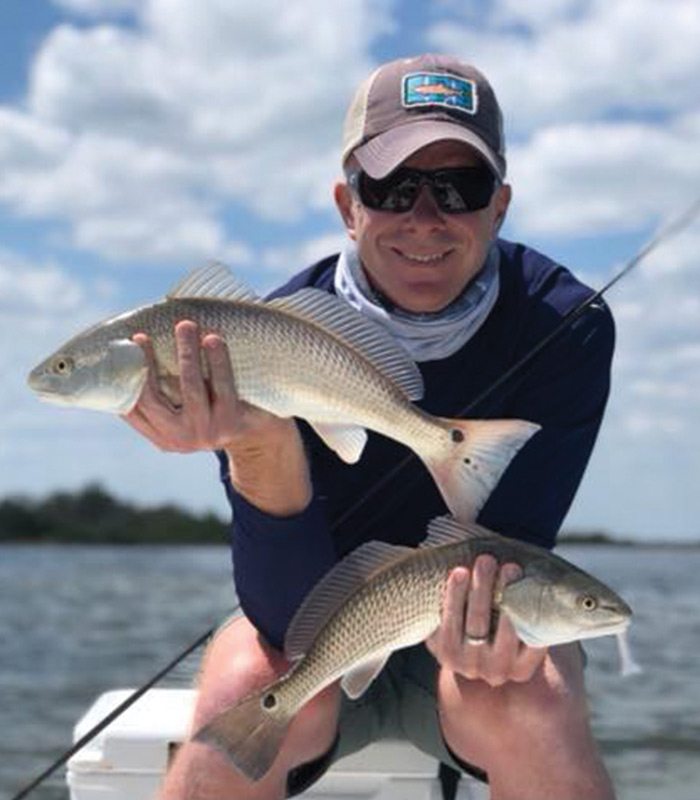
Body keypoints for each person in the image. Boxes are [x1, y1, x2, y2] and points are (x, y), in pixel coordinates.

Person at [125, 54, 617, 800]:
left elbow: (518, 553)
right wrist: (262, 444)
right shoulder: (262, 336)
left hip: (468, 623)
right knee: (242, 687)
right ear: (346, 204)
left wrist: (494, 627)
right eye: (390, 187)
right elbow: (283, 616)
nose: (425, 218)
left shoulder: (565, 325)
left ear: (501, 206)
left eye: (461, 187)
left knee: (531, 696)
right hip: (317, 623)